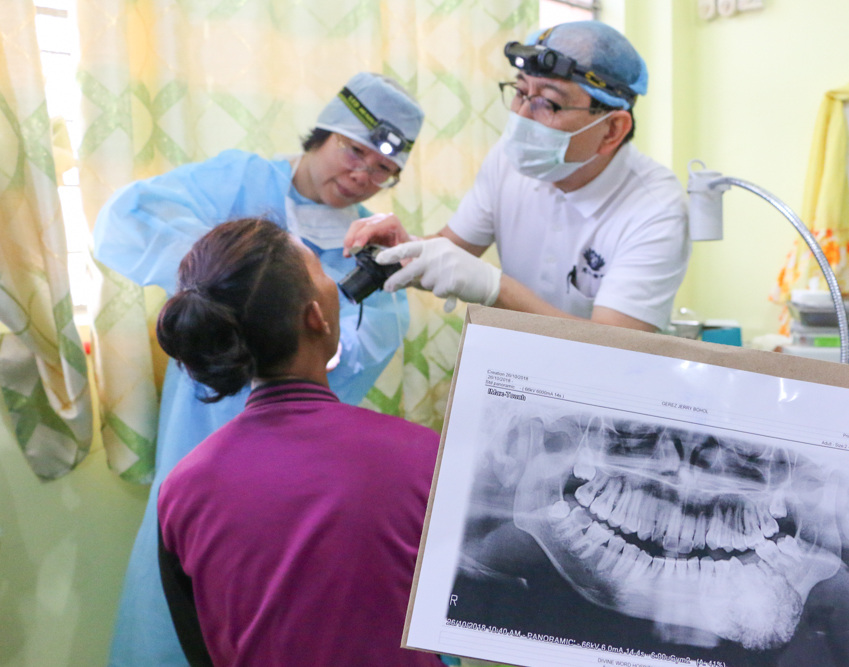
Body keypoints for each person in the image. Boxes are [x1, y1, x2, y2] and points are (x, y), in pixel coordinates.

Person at [94, 72, 424, 666]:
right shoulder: (240, 181)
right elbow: (125, 220)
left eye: (382, 170)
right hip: (200, 430)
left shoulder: (371, 245)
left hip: (299, 453)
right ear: (323, 133)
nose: (361, 176)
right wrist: (231, 284)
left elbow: (365, 342)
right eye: (355, 151)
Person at [153, 217, 442, 666]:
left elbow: (200, 647)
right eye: (322, 273)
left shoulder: (182, 488)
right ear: (316, 317)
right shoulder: (421, 456)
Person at [344, 21, 690, 333]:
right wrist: (406, 248)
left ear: (612, 129)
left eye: (549, 103)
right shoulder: (510, 162)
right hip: (514, 374)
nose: (522, 116)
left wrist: (495, 288)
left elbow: (618, 348)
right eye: (521, 92)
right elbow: (454, 247)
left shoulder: (655, 208)